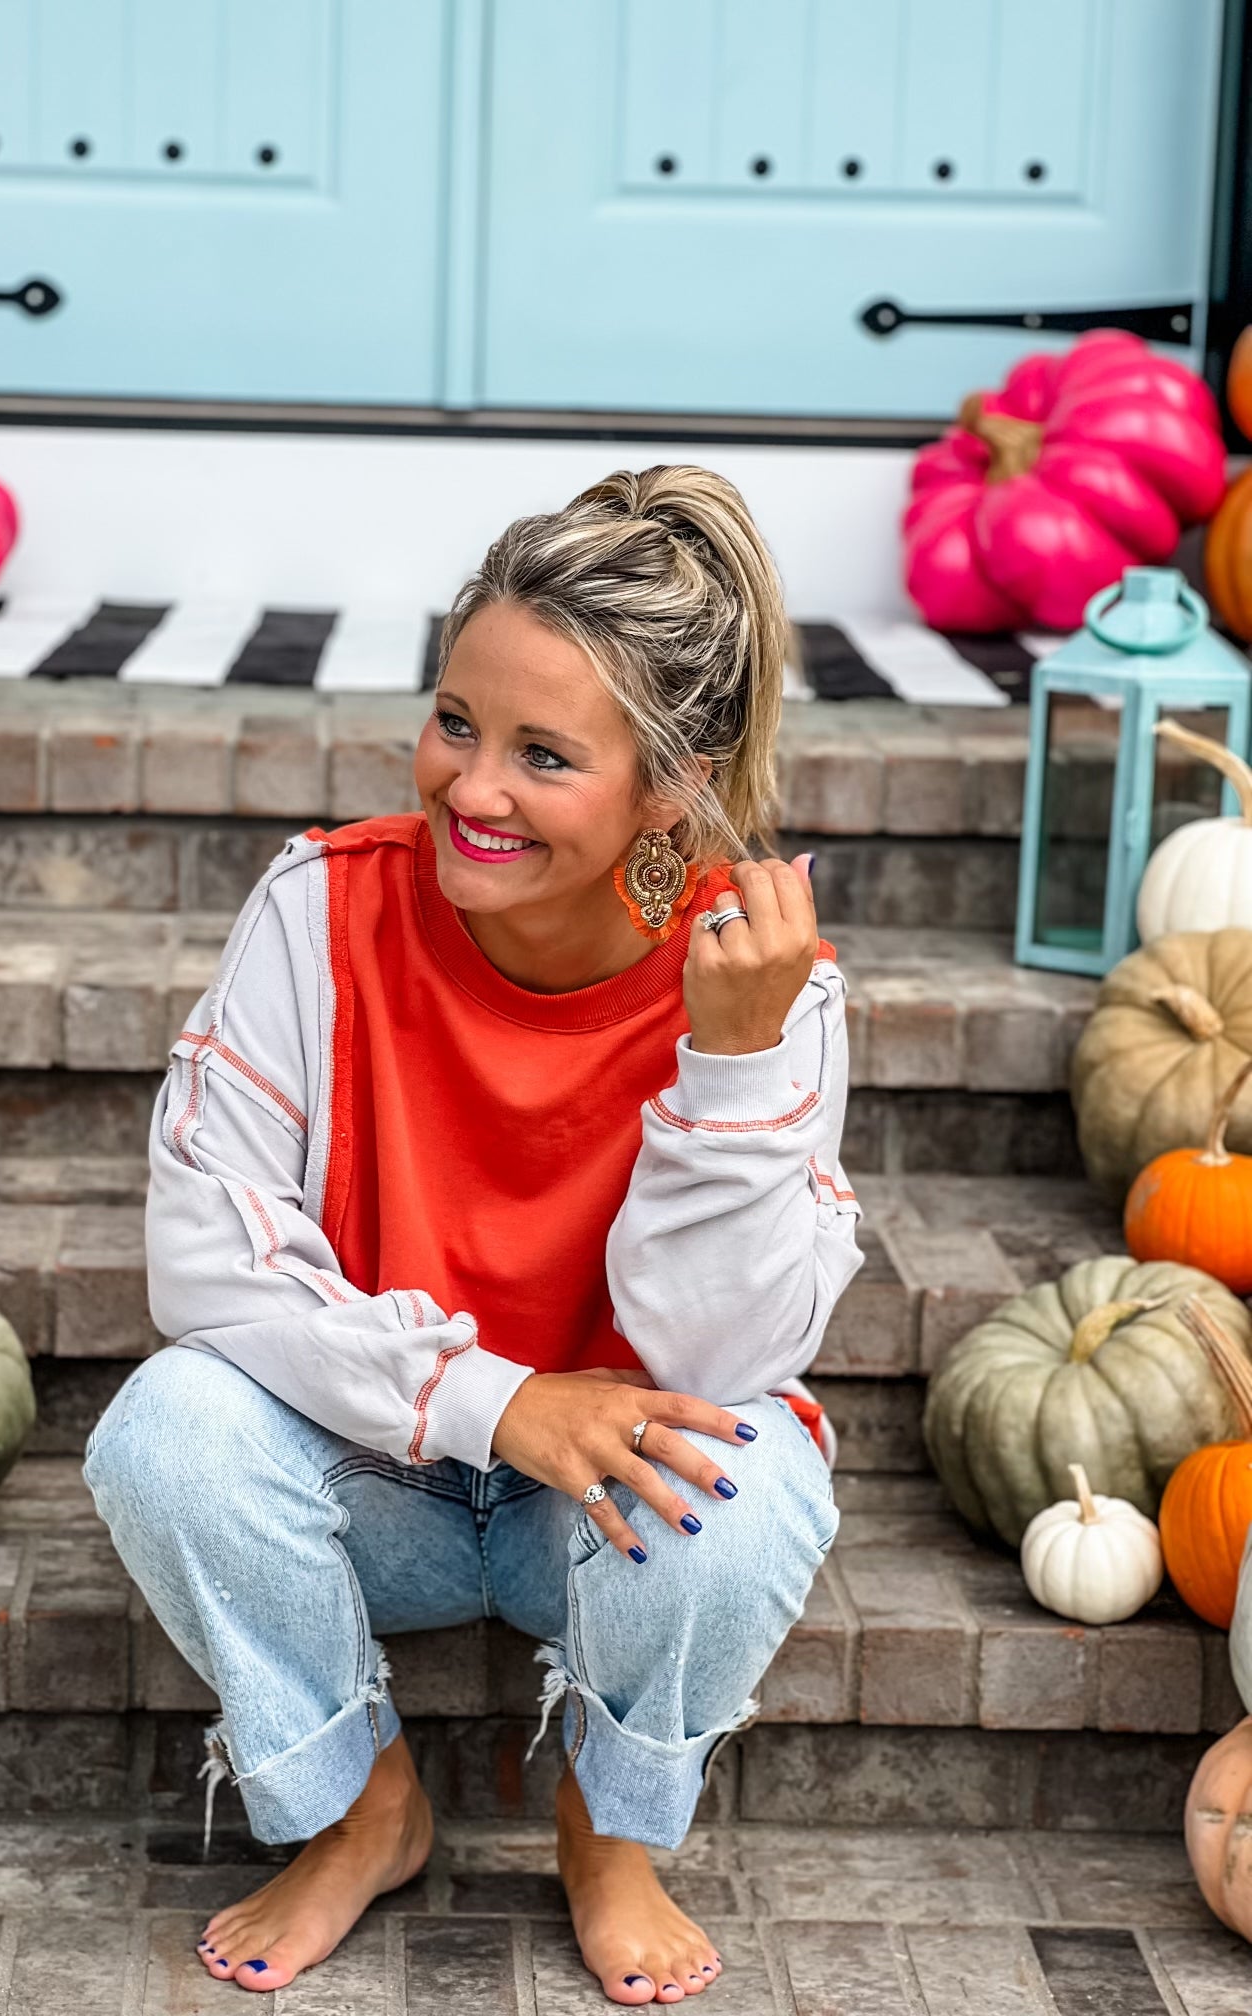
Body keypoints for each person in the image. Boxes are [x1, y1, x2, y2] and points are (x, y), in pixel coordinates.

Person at [83, 465, 864, 2005]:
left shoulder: (769, 991)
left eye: (543, 755)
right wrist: (498, 1402)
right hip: (376, 1481)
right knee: (169, 1432)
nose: (471, 789)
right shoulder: (321, 913)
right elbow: (210, 1253)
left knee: (753, 1481)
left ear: (671, 785)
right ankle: (363, 1811)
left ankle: (609, 1832)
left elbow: (725, 1362)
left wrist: (729, 1065)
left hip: (608, 1525)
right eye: (456, 722)